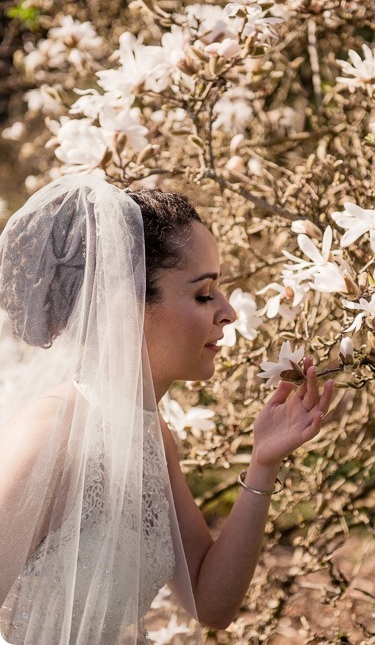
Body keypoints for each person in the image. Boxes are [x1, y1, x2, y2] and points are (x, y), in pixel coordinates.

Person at [0, 175, 334, 644]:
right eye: (203, 294)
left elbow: (210, 602)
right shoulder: (47, 437)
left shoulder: (153, 439)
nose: (229, 312)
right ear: (125, 306)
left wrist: (263, 462)